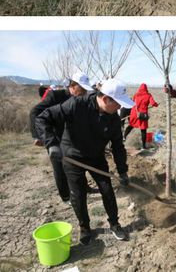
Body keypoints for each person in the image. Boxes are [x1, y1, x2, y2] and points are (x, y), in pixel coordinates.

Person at [36, 79, 134, 245]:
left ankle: (114, 224)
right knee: (78, 195)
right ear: (105, 99)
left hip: (96, 157)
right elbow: (43, 118)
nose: (120, 108)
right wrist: (52, 144)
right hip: (72, 157)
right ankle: (85, 228)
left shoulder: (114, 119)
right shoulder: (76, 105)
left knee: (107, 190)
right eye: (118, 104)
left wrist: (122, 171)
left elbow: (118, 146)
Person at [30, 72, 94, 204]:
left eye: (85, 90)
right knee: (59, 166)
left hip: (71, 136)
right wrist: (38, 136)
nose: (83, 92)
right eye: (81, 89)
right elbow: (35, 112)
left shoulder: (81, 99)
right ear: (73, 85)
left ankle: (84, 187)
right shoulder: (56, 96)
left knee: (78, 163)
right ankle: (66, 196)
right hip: (55, 137)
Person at [124, 83, 158, 149]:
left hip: (134, 113)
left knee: (131, 125)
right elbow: (153, 103)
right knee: (143, 130)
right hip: (143, 114)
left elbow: (133, 101)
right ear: (146, 88)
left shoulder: (136, 95)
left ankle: (124, 137)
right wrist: (156, 104)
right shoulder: (148, 95)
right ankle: (144, 146)